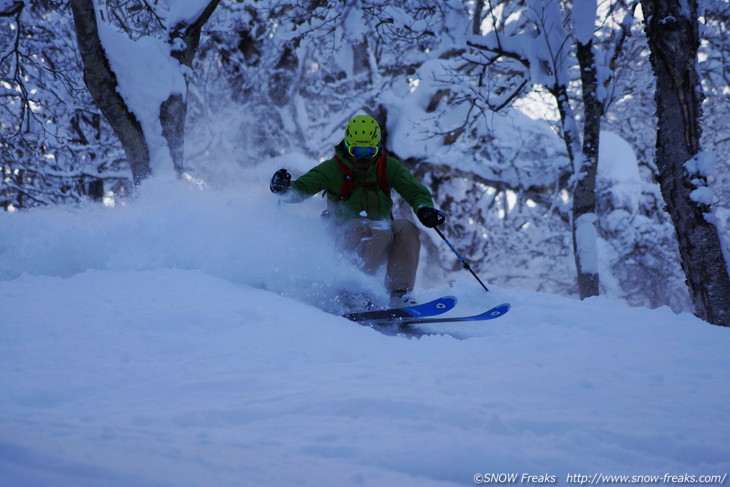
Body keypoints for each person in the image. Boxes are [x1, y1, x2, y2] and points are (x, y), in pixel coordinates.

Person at [269, 114, 445, 307]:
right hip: (345, 237)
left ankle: (399, 294)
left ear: (377, 147)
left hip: (381, 232)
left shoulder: (387, 167)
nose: (363, 157)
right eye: (357, 151)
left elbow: (414, 190)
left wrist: (424, 209)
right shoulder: (333, 169)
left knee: (406, 228)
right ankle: (352, 293)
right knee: (371, 229)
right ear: (347, 147)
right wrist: (285, 188)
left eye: (369, 151)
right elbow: (302, 188)